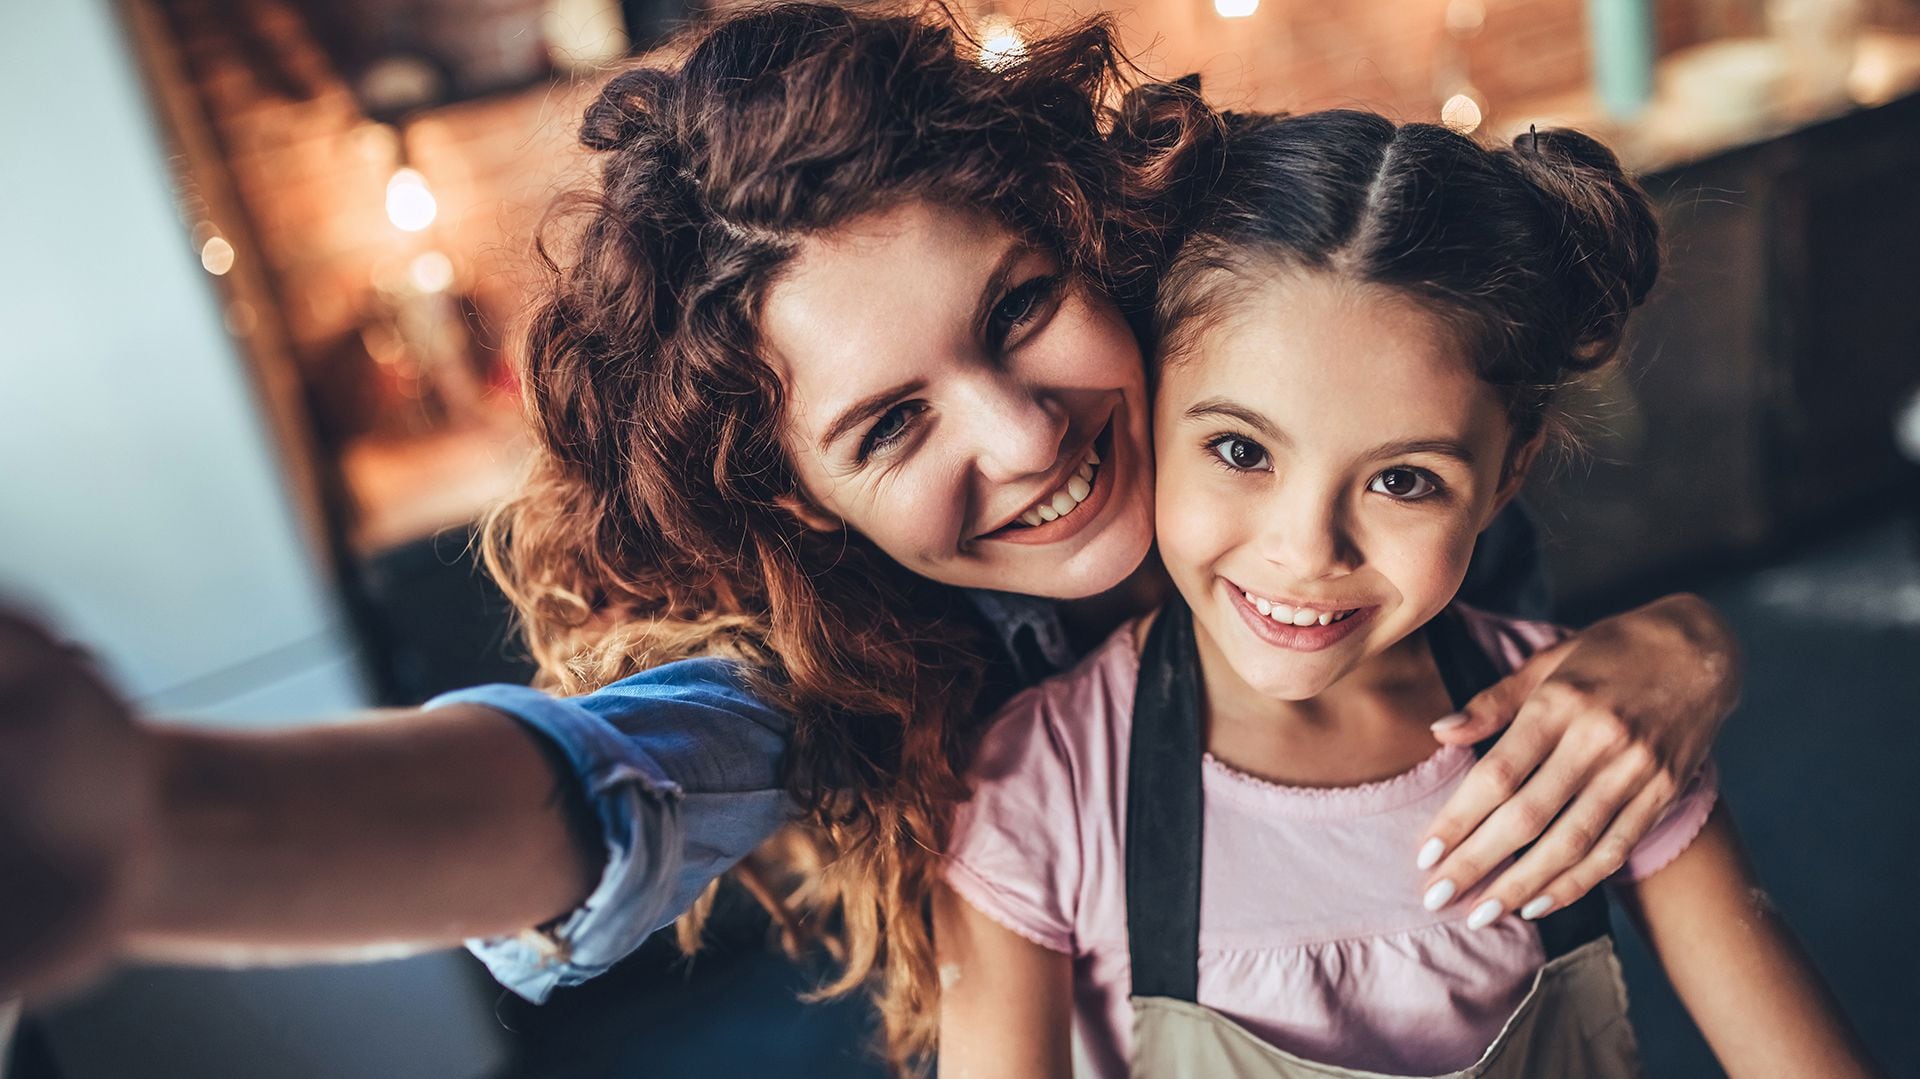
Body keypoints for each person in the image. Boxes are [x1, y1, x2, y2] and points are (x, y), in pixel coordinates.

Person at [0, 5, 1742, 1071]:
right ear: (803, 503)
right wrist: (161, 826)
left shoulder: (1268, 335)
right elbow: (598, 785)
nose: (1023, 431)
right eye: (890, 425)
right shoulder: (859, 671)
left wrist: (1679, 643)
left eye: (1021, 305)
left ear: (1098, 237)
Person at [934, 110, 1875, 1077]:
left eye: (1404, 479)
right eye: (1241, 450)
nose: (1308, 551)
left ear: (1507, 479)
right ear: (1147, 415)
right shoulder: (1041, 787)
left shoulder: (1595, 737)